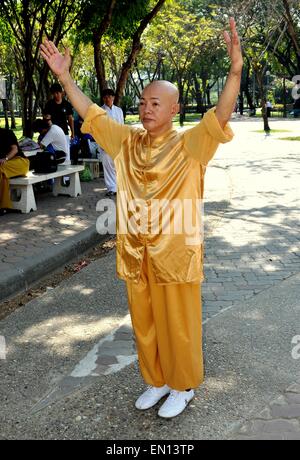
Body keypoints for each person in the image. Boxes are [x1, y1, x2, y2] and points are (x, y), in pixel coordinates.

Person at [40, 17, 243, 418]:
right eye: (143, 102)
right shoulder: (127, 141)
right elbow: (93, 114)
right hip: (137, 254)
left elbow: (220, 115)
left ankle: (183, 385)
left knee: (178, 326)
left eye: (156, 103)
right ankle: (158, 381)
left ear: (174, 109)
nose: (146, 109)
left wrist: (235, 71)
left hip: (176, 255)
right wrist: (65, 79)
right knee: (145, 324)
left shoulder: (191, 145)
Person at [100, 88, 124, 197]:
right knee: (108, 164)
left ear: (113, 97)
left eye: (109, 96)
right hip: (105, 142)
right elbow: (98, 129)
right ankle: (111, 188)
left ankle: (119, 187)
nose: (107, 99)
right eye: (105, 97)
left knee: (117, 165)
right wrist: (102, 143)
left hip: (117, 141)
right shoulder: (100, 111)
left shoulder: (119, 110)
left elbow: (121, 127)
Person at [0, 128, 30, 213]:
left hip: (21, 162)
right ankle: (3, 206)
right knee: (3, 176)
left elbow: (15, 149)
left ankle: (3, 206)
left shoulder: (6, 132)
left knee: (1, 168)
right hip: (6, 166)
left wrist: (5, 158)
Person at [44, 82, 75, 164]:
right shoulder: (49, 104)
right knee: (56, 157)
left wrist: (73, 132)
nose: (56, 95)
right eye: (54, 93)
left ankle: (66, 176)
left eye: (58, 93)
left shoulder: (67, 104)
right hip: (52, 134)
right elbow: (47, 118)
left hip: (64, 133)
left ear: (62, 93)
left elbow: (70, 119)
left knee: (66, 157)